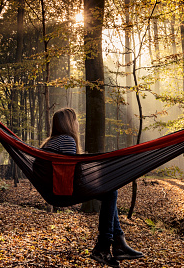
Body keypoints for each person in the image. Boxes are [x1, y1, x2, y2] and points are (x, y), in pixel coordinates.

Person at [42, 108, 144, 267]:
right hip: (66, 189)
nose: (77, 123)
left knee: (109, 192)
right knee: (111, 191)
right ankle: (105, 245)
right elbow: (71, 171)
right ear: (68, 123)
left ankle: (118, 243)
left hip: (55, 190)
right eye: (75, 120)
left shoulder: (49, 142)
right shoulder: (67, 140)